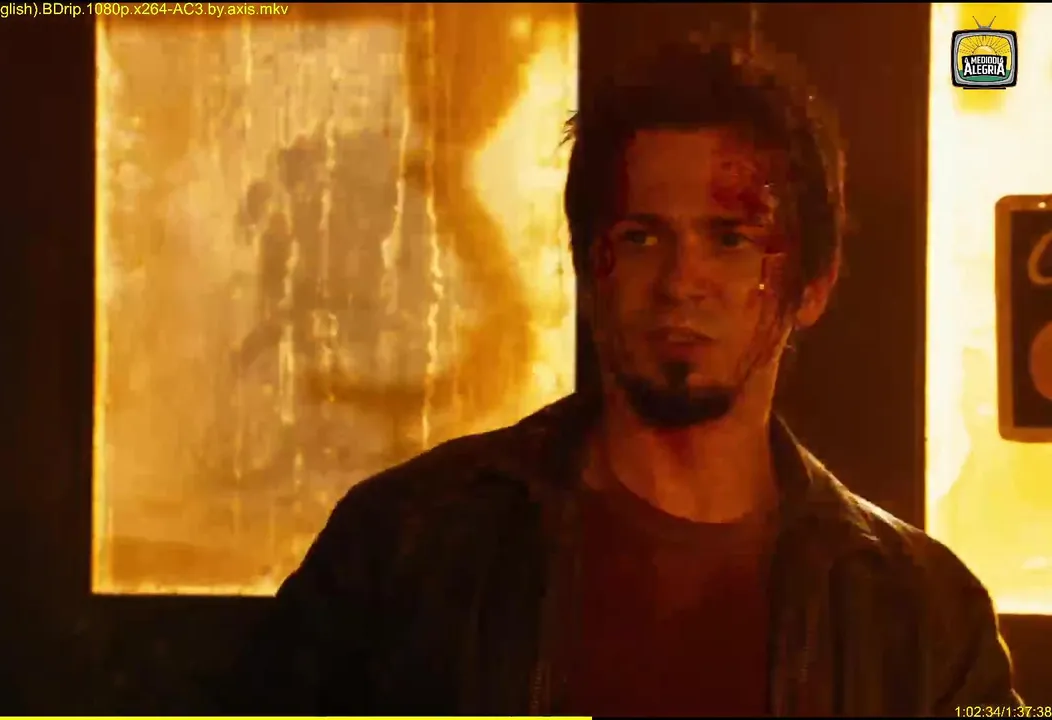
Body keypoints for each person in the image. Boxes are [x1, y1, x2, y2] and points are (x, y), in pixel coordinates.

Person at [221, 36, 1022, 716]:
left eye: (731, 239)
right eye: (641, 237)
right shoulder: (408, 546)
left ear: (813, 286)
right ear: (588, 268)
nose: (681, 281)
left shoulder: (918, 616)